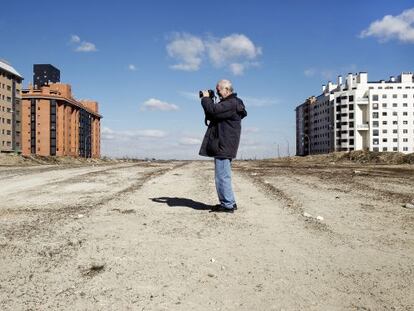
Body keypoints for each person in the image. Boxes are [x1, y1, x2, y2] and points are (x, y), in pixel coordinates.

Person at [199, 79, 247, 213]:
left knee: (222, 176)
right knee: (223, 175)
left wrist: (206, 99)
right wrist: (209, 100)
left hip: (224, 145)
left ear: (227, 89)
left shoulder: (231, 103)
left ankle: (227, 205)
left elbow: (213, 110)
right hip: (224, 144)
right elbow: (212, 113)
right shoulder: (230, 104)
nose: (218, 92)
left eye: (219, 89)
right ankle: (229, 202)